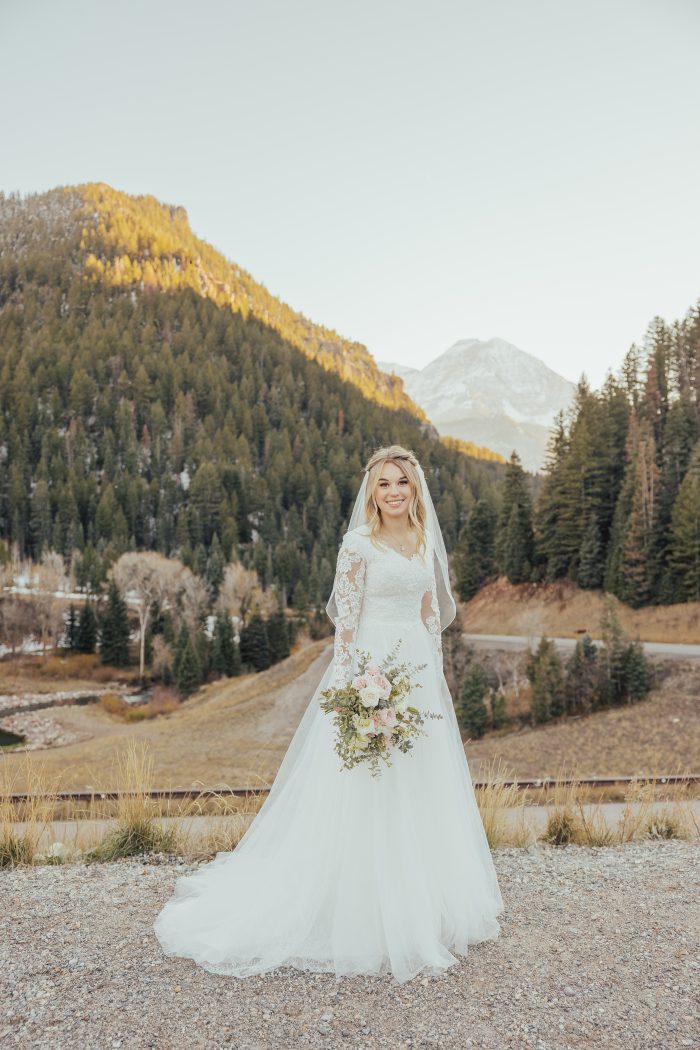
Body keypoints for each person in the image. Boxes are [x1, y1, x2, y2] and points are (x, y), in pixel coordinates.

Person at [153, 444, 504, 984]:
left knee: (419, 782)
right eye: (383, 483)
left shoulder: (422, 542)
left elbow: (432, 615)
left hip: (415, 672)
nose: (392, 492)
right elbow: (347, 620)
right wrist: (350, 685)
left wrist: (434, 676)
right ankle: (360, 910)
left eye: (401, 483)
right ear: (371, 490)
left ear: (414, 490)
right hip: (369, 668)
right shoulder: (356, 545)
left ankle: (423, 905)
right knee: (364, 782)